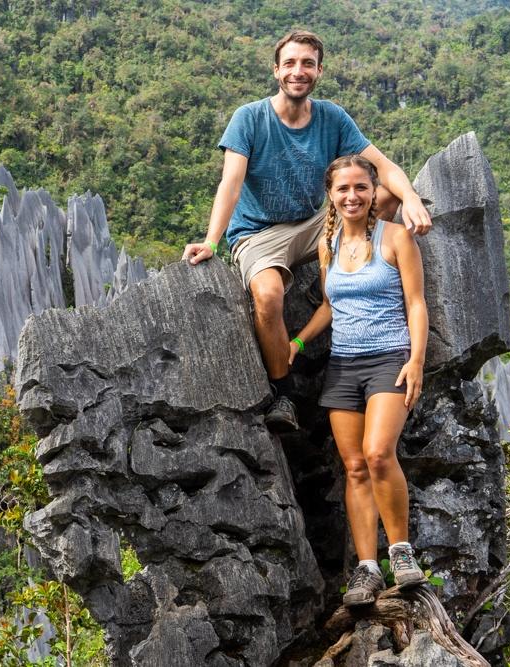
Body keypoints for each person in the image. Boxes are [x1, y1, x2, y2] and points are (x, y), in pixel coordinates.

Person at [182, 29, 432, 431]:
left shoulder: (331, 117)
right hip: (258, 232)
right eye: (291, 64)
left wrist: (412, 199)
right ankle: (283, 393)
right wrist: (213, 240)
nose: (299, 71)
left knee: (384, 194)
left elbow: (382, 167)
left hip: (315, 226)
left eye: (308, 64)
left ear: (319, 70)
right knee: (267, 295)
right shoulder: (250, 117)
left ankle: (352, 275)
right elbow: (230, 182)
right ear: (276, 70)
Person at [289, 154, 428, 606]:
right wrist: (299, 343)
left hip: (389, 359)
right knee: (352, 467)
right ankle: (367, 569)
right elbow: (330, 306)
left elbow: (416, 304)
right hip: (344, 364)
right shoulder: (328, 243)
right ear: (331, 195)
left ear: (374, 193)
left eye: (361, 188)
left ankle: (402, 553)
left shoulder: (397, 237)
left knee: (378, 453)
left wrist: (417, 361)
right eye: (343, 189)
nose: (352, 196)